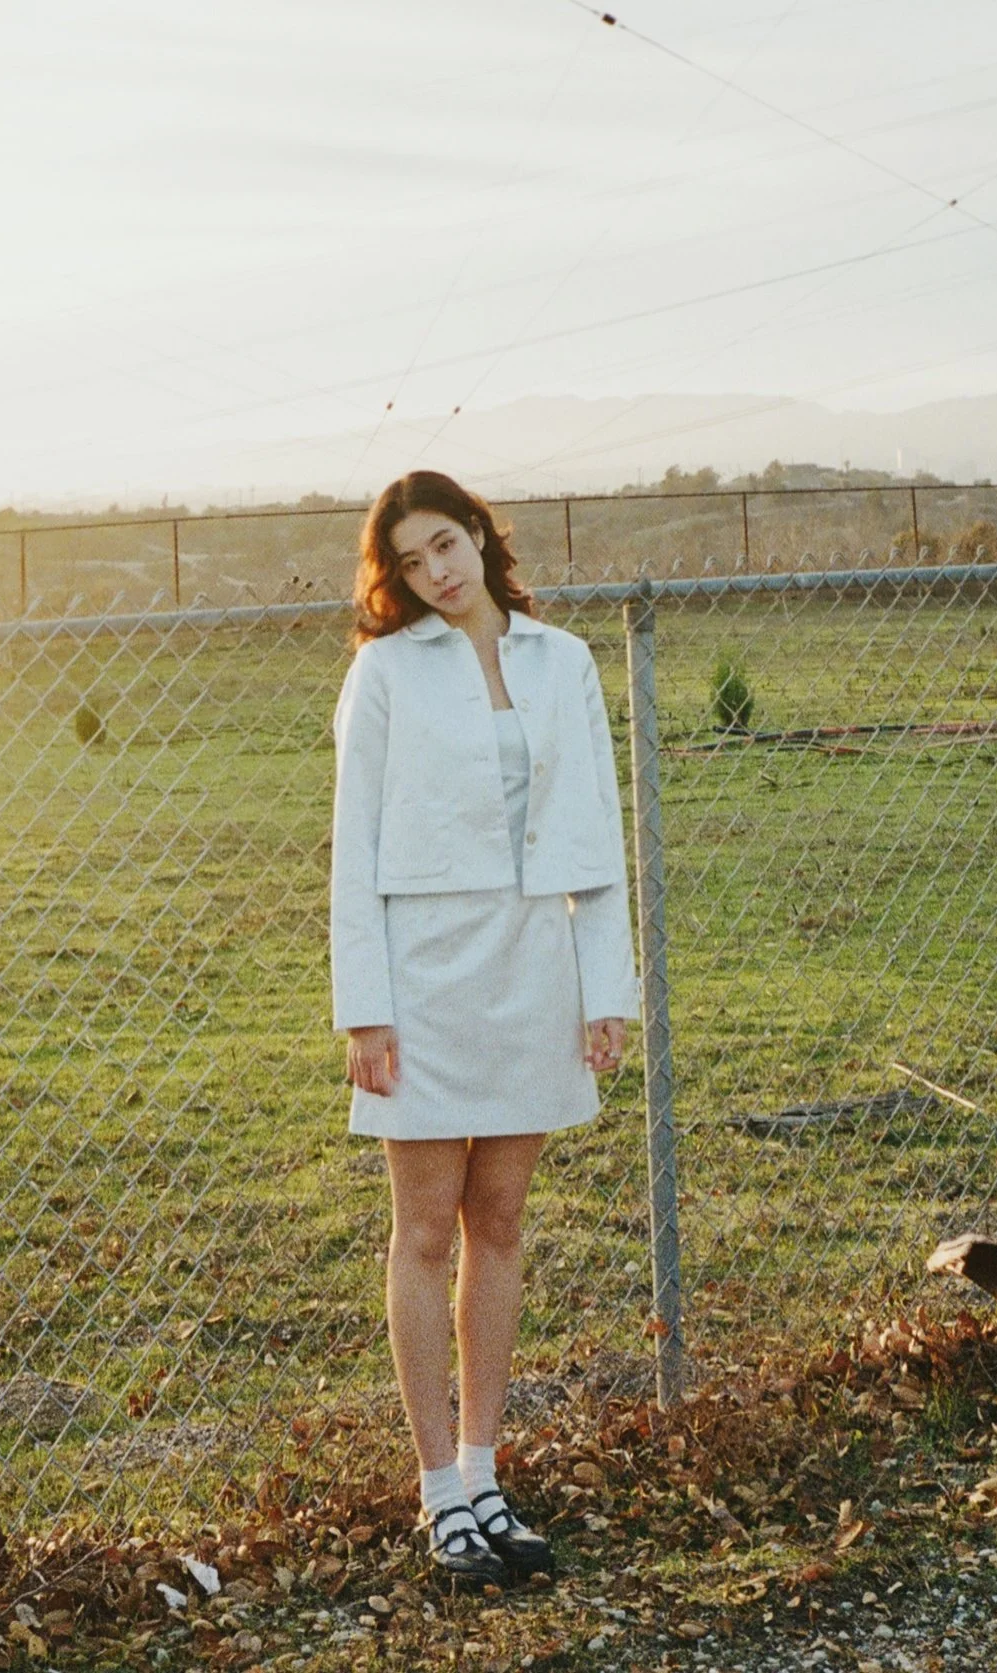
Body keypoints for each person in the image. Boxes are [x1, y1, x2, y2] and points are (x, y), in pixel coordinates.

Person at [329, 470, 637, 1590]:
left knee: (500, 1218)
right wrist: (364, 1007)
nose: (435, 572)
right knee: (423, 1230)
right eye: (410, 561)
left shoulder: (566, 662)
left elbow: (596, 830)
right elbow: (351, 843)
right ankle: (436, 1493)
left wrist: (606, 988)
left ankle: (484, 1468)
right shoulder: (386, 672)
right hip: (422, 976)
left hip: (530, 968)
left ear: (480, 537)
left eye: (446, 543)